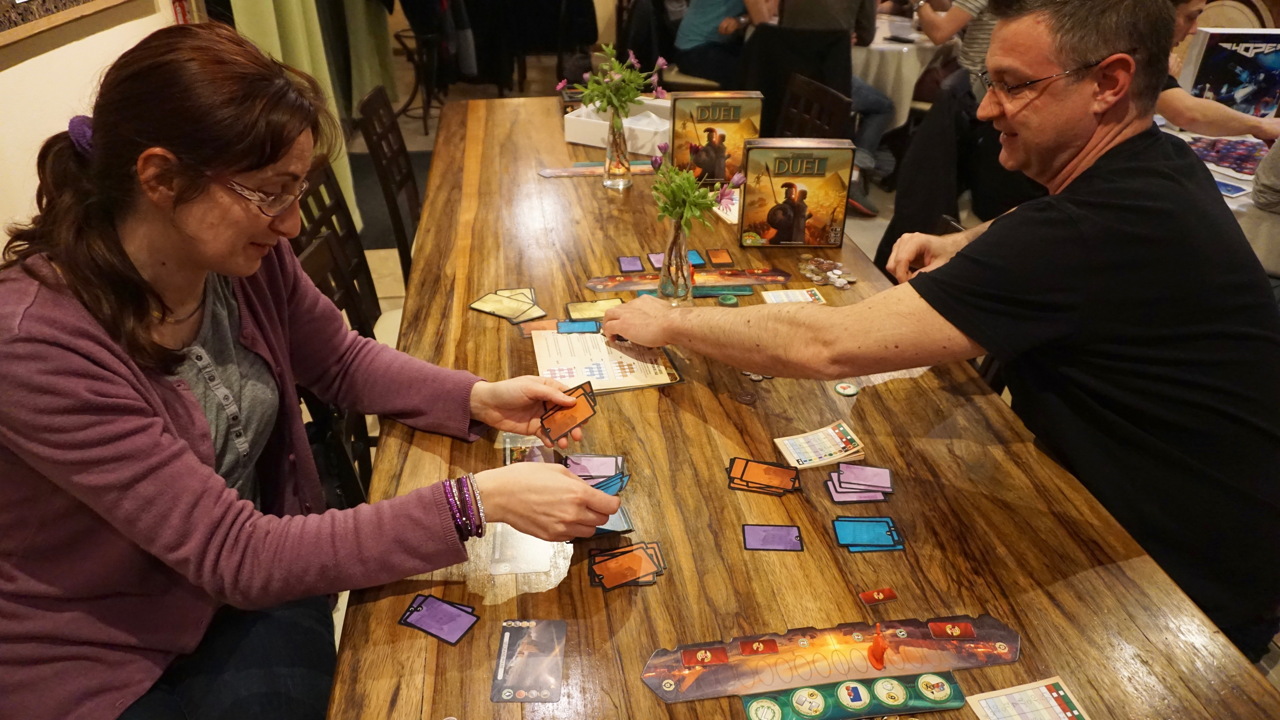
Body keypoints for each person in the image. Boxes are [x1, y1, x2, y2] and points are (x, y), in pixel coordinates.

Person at [605, 0, 1280, 662]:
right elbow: (1048, 220)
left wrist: (670, 320)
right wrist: (964, 243)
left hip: (1180, 588)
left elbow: (826, 345)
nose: (986, 110)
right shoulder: (1161, 165)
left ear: (1109, 83)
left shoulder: (1086, 232)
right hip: (1181, 524)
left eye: (1014, 85)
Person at [0, 23, 620, 720]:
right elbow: (236, 553)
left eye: (297, 189)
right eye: (271, 193)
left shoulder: (240, 260)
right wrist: (474, 503)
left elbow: (342, 360)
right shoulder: (35, 342)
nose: (292, 224)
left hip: (236, 595)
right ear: (160, 178)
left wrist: (477, 396)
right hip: (98, 652)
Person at [873, 0, 1046, 269]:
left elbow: (940, 32)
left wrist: (919, 3)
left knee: (931, 190)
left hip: (970, 94)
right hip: (977, 92)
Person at [1157, 0, 1280, 141]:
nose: (1194, 30)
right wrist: (1261, 125)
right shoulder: (1141, 55)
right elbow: (1188, 114)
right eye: (1190, 17)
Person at [673, 0, 777, 88]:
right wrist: (746, 18)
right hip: (693, 49)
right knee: (759, 76)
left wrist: (741, 20)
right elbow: (763, 21)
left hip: (718, 45)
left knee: (767, 66)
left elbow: (771, 11)